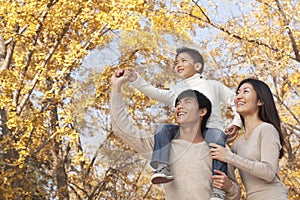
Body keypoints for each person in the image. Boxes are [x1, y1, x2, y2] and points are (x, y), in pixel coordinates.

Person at [118, 47, 242, 199]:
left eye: (184, 61)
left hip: (211, 131)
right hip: (187, 131)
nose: (178, 65)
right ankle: (162, 167)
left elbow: (235, 101)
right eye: (176, 62)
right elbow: (154, 92)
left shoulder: (213, 86)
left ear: (197, 66)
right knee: (163, 128)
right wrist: (135, 79)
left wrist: (236, 123)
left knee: (218, 138)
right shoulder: (178, 90)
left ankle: (218, 190)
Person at [210, 78, 289, 200]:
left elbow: (268, 172)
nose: (238, 97)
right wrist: (222, 141)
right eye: (237, 93)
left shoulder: (267, 129)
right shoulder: (237, 144)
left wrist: (229, 156)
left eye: (245, 91)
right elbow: (229, 180)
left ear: (260, 101)